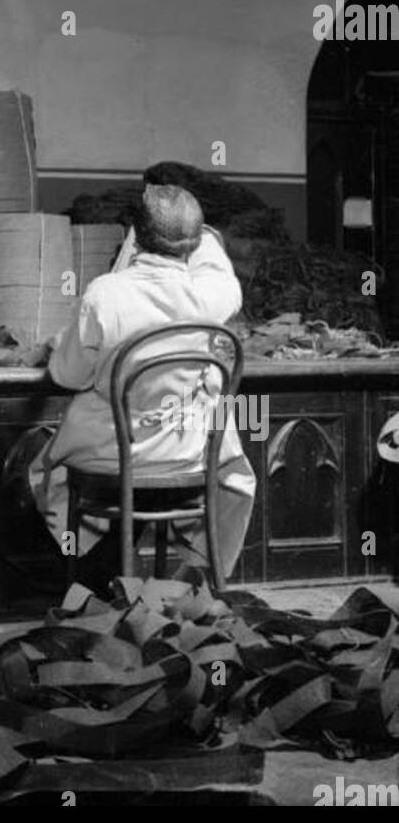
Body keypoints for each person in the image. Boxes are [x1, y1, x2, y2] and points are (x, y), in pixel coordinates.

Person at [29, 183, 256, 592]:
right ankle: (192, 579)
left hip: (116, 458)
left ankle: (97, 582)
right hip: (187, 456)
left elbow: (69, 376)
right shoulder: (215, 294)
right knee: (233, 468)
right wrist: (198, 235)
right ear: (196, 242)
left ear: (135, 234)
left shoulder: (105, 294)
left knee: (44, 468)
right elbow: (217, 265)